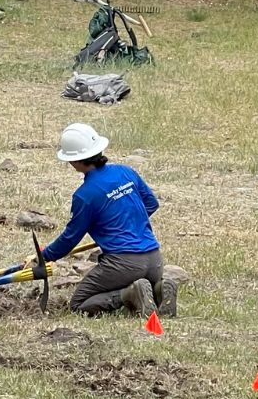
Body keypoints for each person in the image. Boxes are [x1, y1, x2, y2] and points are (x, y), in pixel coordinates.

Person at [33, 123, 176, 318]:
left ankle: (129, 294)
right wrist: (129, 225)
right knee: (144, 283)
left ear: (74, 161)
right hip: (154, 259)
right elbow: (151, 203)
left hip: (124, 264)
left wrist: (45, 256)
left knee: (78, 304)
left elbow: (71, 237)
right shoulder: (126, 171)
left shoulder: (85, 195)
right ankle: (158, 287)